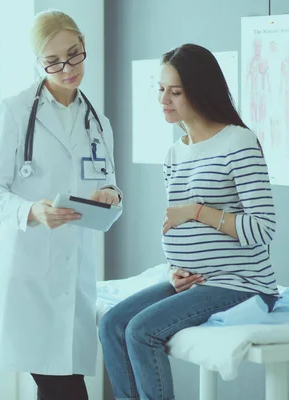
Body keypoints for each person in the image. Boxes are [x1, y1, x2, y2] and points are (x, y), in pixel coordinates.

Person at [98, 43, 279, 400]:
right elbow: (176, 228)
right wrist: (173, 271)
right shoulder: (175, 151)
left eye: (175, 91)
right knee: (111, 324)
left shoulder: (238, 142)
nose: (163, 98)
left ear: (200, 90)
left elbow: (263, 228)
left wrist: (196, 210)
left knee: (141, 331)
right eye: (161, 88)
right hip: (192, 280)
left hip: (240, 282)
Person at [0, 9, 123, 400]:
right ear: (38, 63)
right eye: (53, 61)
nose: (67, 68)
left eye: (74, 54)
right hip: (28, 272)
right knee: (65, 389)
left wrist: (111, 196)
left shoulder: (99, 122)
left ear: (84, 46)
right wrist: (32, 211)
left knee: (61, 385)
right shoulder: (12, 112)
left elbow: (107, 182)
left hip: (74, 270)